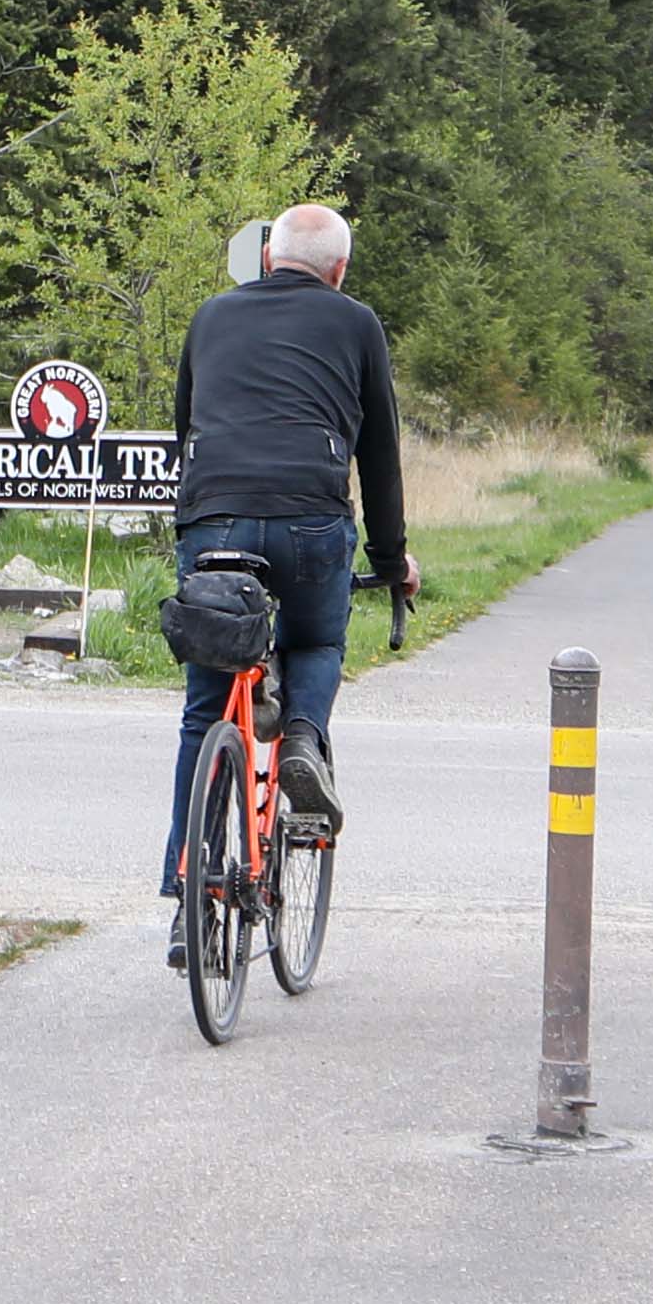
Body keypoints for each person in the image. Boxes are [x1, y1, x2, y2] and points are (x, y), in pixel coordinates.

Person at [159, 197, 411, 951]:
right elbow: (381, 456)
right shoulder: (356, 322)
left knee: (204, 713)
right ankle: (301, 737)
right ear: (339, 270)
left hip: (214, 521)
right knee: (315, 643)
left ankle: (185, 897)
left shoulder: (209, 316)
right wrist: (392, 563)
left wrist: (207, 515)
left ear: (268, 259)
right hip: (310, 522)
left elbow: (187, 429)